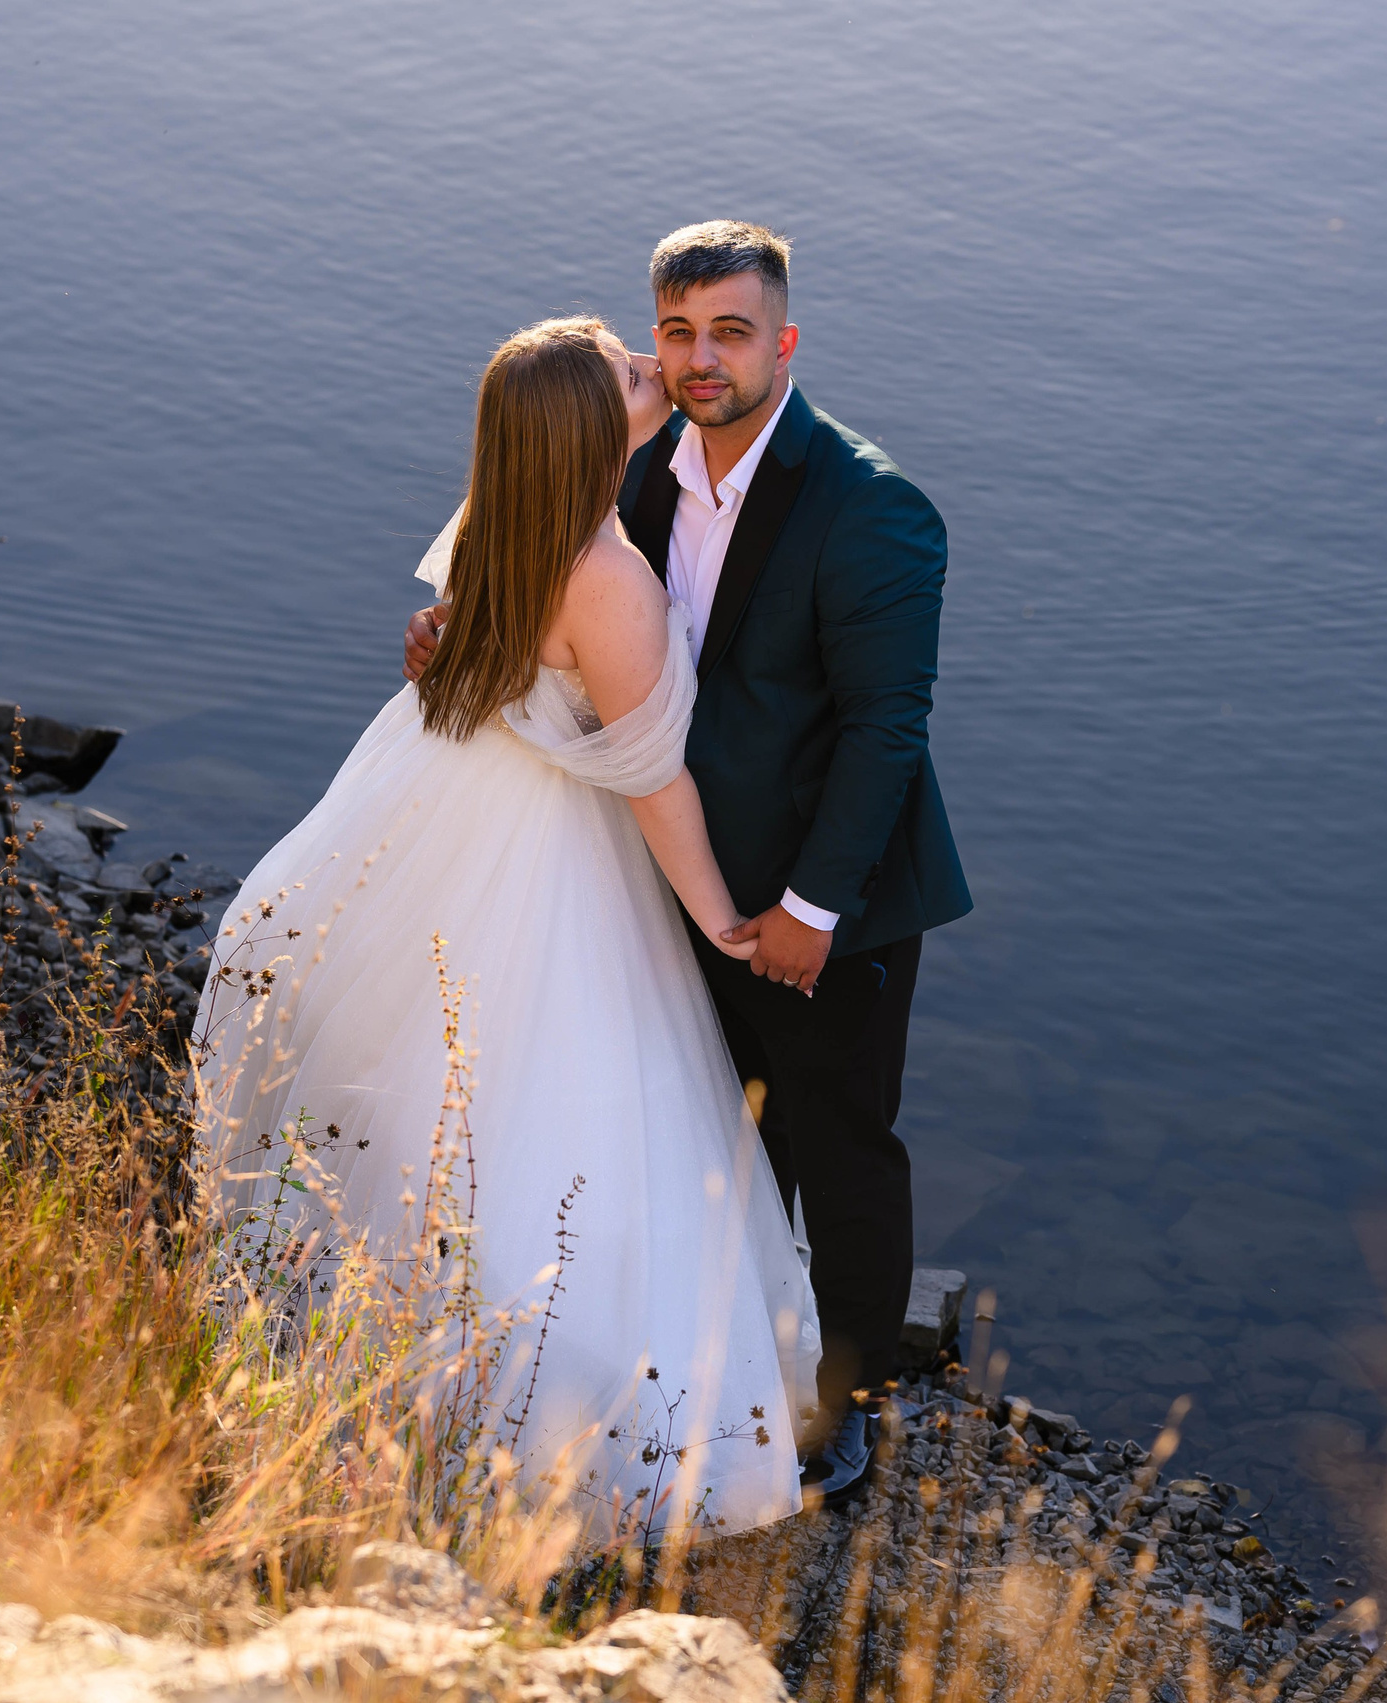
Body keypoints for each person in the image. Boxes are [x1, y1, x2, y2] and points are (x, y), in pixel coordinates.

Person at [202, 316, 818, 1539]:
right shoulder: (608, 574)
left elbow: (460, 645)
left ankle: (393, 1360)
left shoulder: (501, 518)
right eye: (633, 373)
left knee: (443, 1081)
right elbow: (653, 777)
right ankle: (563, 1419)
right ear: (593, 432)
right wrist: (718, 917)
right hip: (550, 847)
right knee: (565, 1095)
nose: (657, 371)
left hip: (444, 795)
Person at [407, 223, 970, 1499]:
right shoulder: (643, 469)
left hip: (826, 899)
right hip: (675, 880)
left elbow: (887, 729)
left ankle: (851, 1408)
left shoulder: (871, 506)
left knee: (843, 1147)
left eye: (727, 330)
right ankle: (731, 1374)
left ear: (783, 339)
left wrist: (812, 908)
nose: (699, 358)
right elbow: (558, 603)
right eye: (675, 332)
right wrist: (463, 633)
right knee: (716, 1131)